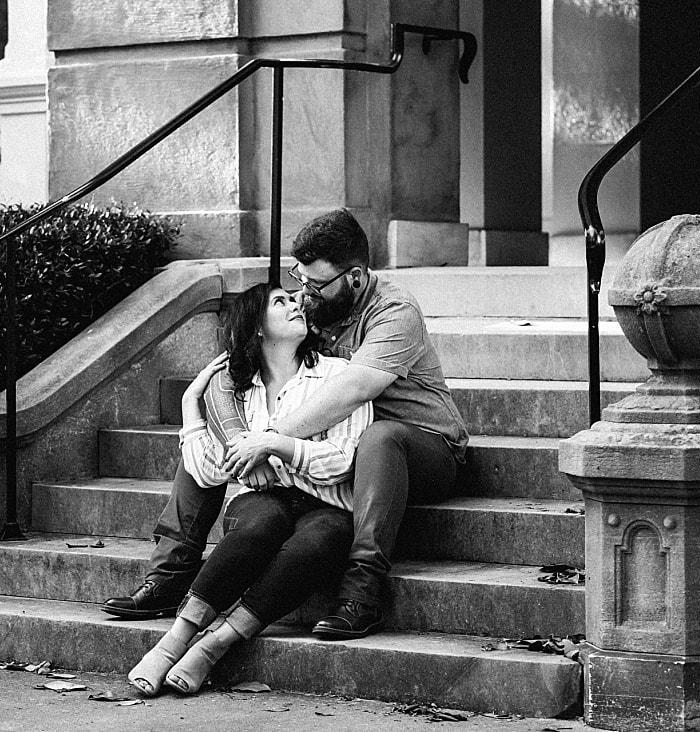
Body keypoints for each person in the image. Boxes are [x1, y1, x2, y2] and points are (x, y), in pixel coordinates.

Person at [102, 208, 468, 639]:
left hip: (421, 450)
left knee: (381, 436)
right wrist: (240, 439)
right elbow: (231, 370)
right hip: (333, 453)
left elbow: (354, 389)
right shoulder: (313, 306)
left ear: (354, 277)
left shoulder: (394, 312)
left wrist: (270, 439)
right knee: (210, 447)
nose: (304, 294)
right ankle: (170, 573)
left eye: (315, 284)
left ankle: (361, 594)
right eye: (299, 280)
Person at [126, 282, 373, 696]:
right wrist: (191, 402)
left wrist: (273, 447)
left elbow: (342, 460)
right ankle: (174, 640)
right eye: (281, 302)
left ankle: (214, 644)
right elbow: (206, 473)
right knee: (260, 526)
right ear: (257, 327)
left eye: (295, 299)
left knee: (318, 540)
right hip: (260, 503)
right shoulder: (235, 392)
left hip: (326, 503)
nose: (296, 304)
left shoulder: (338, 376)